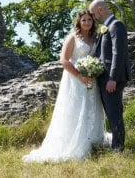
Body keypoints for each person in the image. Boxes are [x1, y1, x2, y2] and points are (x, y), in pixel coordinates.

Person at [22, 10, 108, 163]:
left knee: (92, 106)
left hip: (91, 78)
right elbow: (64, 60)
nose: (87, 22)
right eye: (84, 20)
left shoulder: (95, 37)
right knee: (76, 108)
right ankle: (75, 143)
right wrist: (80, 75)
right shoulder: (72, 38)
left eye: (89, 20)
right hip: (75, 78)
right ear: (79, 22)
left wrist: (92, 70)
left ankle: (93, 141)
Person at [88, 0, 130, 152]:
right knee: (111, 113)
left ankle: (118, 148)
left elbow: (118, 54)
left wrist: (112, 78)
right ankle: (116, 145)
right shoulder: (106, 27)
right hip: (105, 78)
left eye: (93, 13)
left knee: (114, 113)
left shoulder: (116, 25)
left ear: (100, 10)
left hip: (112, 79)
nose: (93, 17)